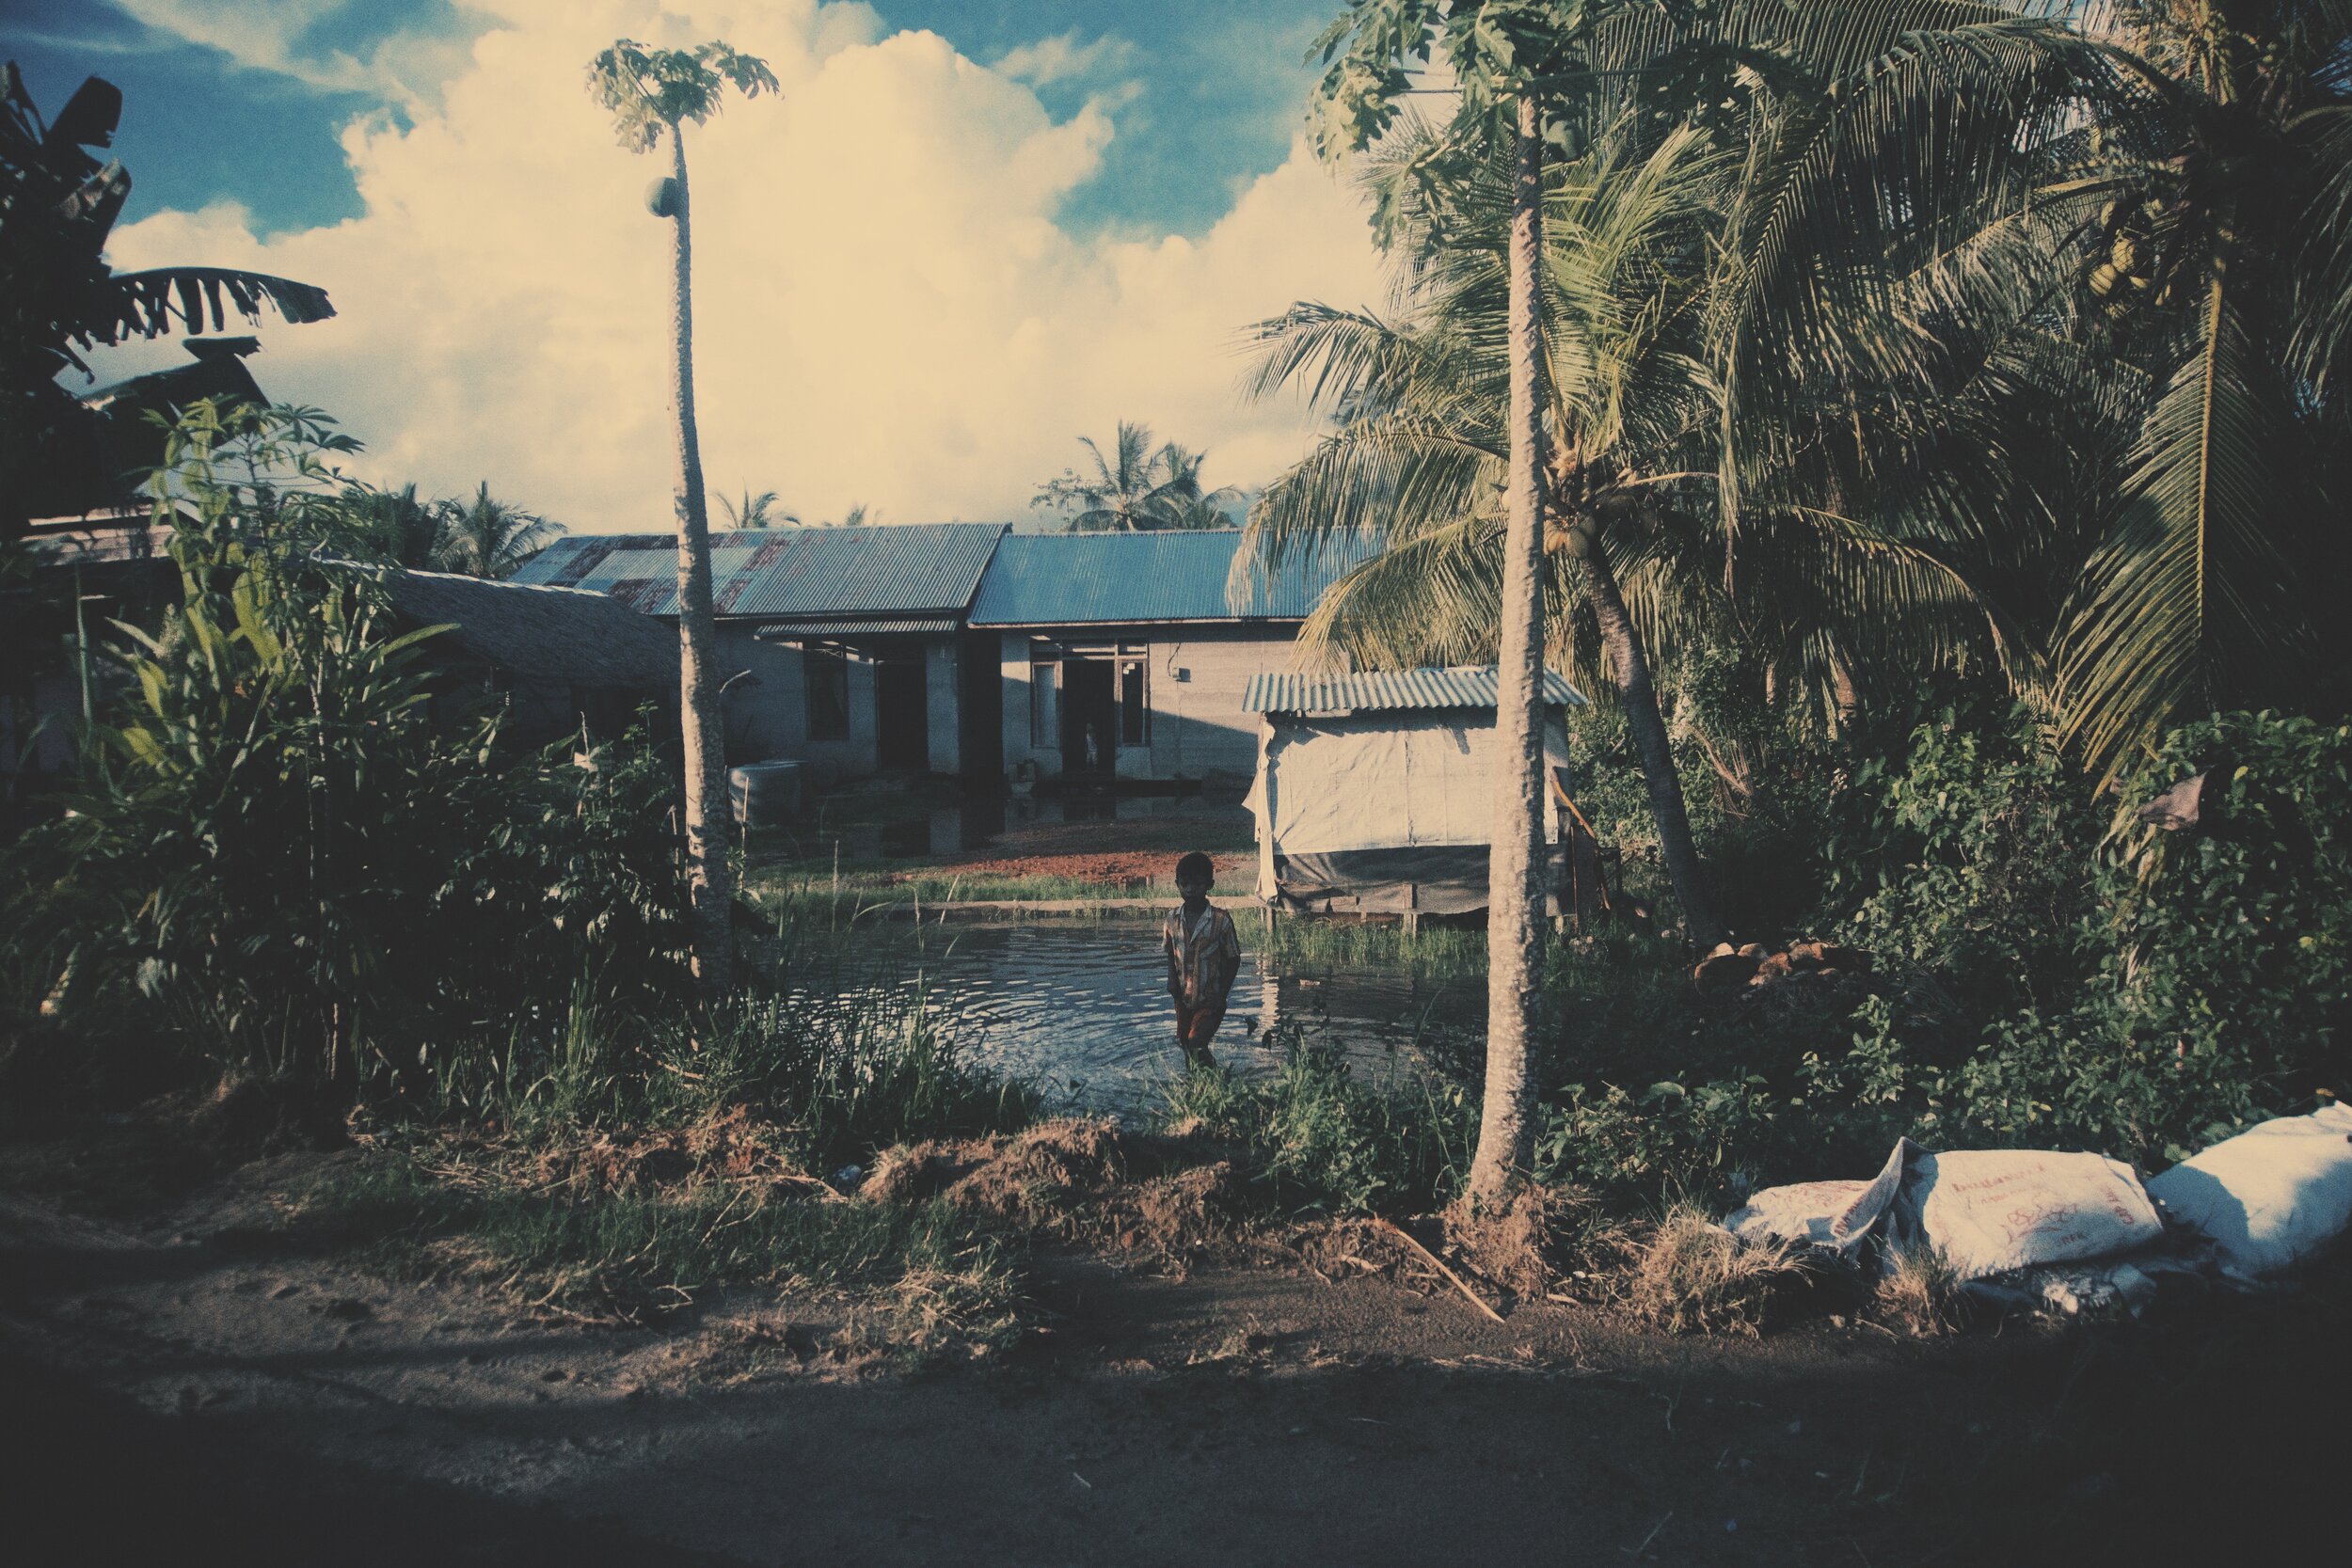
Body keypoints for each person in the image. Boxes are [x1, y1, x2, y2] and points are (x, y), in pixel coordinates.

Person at [1162, 850, 1241, 1066]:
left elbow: (1234, 959)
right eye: (1185, 884)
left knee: (1196, 1041)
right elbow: (1170, 951)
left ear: (1210, 885)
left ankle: (1217, 1081)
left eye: (1197, 884)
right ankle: (1197, 1087)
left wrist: (1222, 995)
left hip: (1210, 999)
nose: (1190, 889)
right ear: (1177, 884)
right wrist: (1171, 981)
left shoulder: (1220, 920)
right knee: (1185, 1043)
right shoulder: (1172, 919)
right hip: (1183, 998)